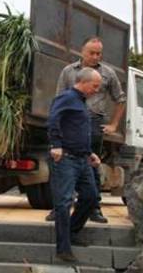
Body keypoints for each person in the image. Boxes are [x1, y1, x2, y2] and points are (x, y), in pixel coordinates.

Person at [45, 36, 126, 224]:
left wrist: (114, 125)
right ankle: (60, 208)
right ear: (82, 51)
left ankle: (94, 208)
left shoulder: (108, 73)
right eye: (92, 53)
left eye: (99, 53)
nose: (96, 56)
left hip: (93, 122)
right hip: (70, 123)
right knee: (62, 167)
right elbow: (59, 99)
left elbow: (120, 99)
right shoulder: (68, 71)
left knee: (92, 166)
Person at [48, 67, 102, 262]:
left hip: (82, 159)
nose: (97, 90)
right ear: (84, 82)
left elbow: (77, 130)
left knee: (91, 196)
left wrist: (90, 153)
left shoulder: (81, 102)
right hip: (66, 159)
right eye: (95, 86)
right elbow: (54, 119)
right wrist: (55, 144)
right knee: (63, 203)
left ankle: (71, 232)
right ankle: (63, 248)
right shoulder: (67, 98)